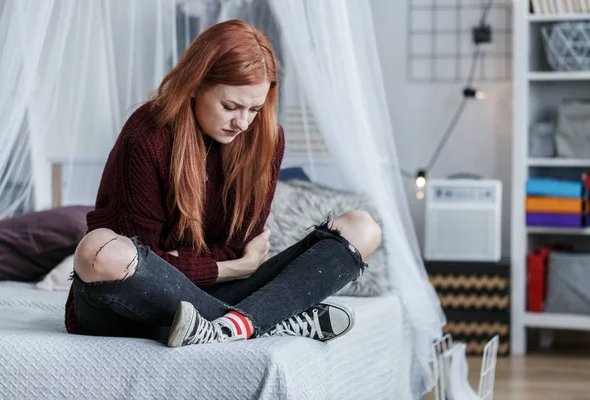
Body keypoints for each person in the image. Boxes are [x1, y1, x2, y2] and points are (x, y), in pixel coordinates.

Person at [65, 20, 381, 347]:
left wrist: (209, 262)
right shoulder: (148, 135)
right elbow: (145, 264)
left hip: (217, 290)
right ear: (195, 84)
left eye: (254, 109)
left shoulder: (266, 140)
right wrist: (231, 268)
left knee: (362, 228)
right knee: (98, 248)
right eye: (230, 107)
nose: (242, 122)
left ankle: (227, 327)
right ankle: (266, 319)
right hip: (134, 298)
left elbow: (239, 242)